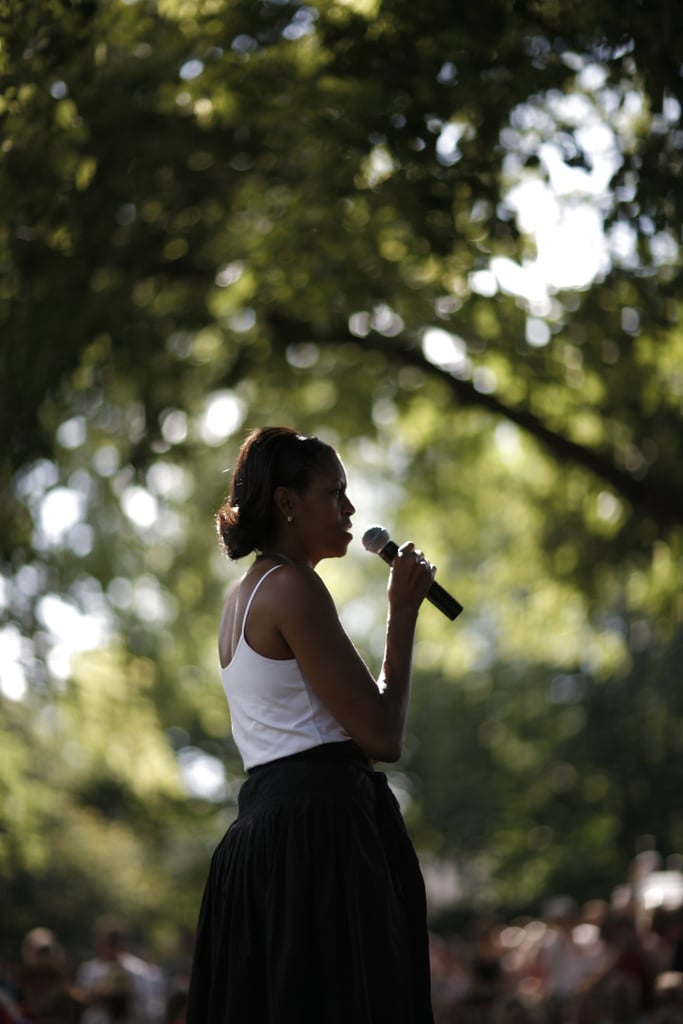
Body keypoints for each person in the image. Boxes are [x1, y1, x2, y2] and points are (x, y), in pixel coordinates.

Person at [186, 426, 437, 1024]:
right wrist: (401, 616)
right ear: (288, 502)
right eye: (335, 492)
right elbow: (382, 735)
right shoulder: (293, 586)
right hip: (317, 838)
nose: (350, 509)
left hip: (264, 835)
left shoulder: (241, 597)